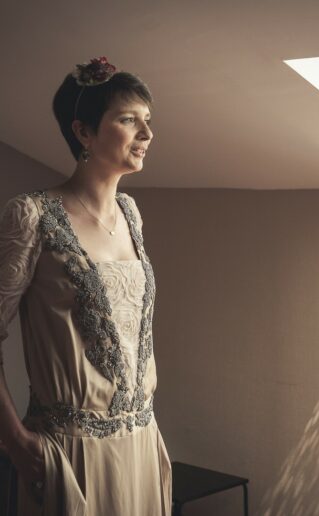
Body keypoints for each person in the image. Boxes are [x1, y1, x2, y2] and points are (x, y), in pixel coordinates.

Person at [0, 56, 172, 515]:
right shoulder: (31, 215)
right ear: (83, 132)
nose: (147, 133)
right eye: (128, 119)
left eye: (147, 120)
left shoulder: (131, 213)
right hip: (69, 454)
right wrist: (14, 439)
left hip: (141, 443)